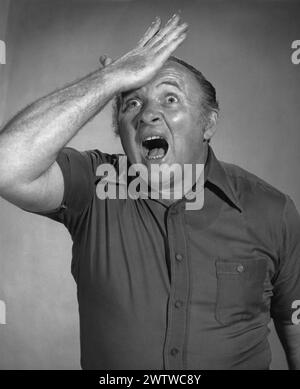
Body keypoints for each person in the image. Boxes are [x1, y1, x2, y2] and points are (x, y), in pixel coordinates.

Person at [0, 14, 299, 370]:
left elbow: (292, 323)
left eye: (170, 98)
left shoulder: (272, 209)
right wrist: (109, 80)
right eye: (132, 103)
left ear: (208, 124)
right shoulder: (95, 183)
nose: (148, 115)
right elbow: (7, 166)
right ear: (120, 130)